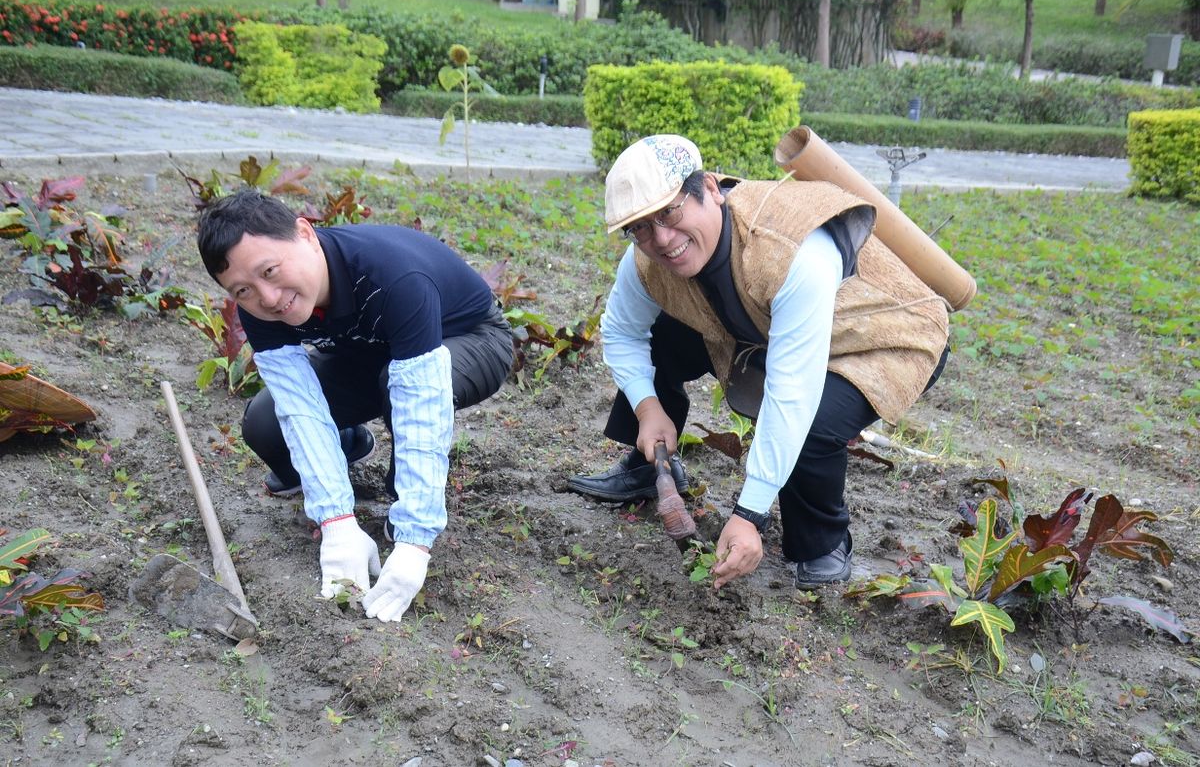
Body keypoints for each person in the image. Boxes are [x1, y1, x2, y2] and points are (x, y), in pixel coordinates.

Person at [567, 134, 950, 589]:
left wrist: (749, 514)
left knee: (812, 422)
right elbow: (624, 331)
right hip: (765, 325)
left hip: (882, 337)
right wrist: (649, 410)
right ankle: (650, 465)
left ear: (709, 189)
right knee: (663, 333)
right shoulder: (647, 261)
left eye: (669, 213)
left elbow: (793, 390)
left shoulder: (789, 249)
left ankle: (823, 542)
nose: (662, 239)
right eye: (641, 228)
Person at [196, 189, 513, 622]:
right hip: (366, 351)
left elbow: (420, 398)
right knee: (265, 423)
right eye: (244, 290)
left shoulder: (390, 274)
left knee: (397, 388)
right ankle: (349, 444)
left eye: (270, 270)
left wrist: (415, 542)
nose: (268, 298)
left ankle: (403, 507)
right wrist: (337, 521)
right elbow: (298, 404)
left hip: (467, 339)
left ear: (305, 234)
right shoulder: (260, 305)